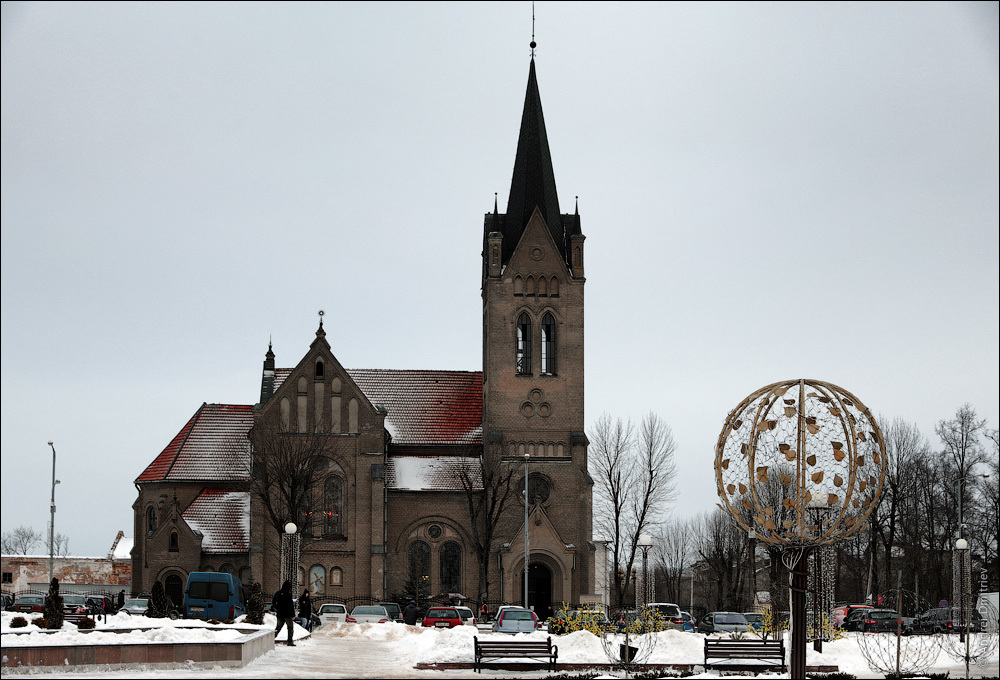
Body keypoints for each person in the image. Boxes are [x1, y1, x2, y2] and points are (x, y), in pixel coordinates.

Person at [273, 581, 296, 646]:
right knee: (290, 627)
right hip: (287, 614)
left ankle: (271, 639)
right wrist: (292, 615)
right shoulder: (288, 594)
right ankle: (289, 641)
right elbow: (290, 605)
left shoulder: (278, 593)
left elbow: (274, 602)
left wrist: (277, 608)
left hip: (280, 614)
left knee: (278, 627)